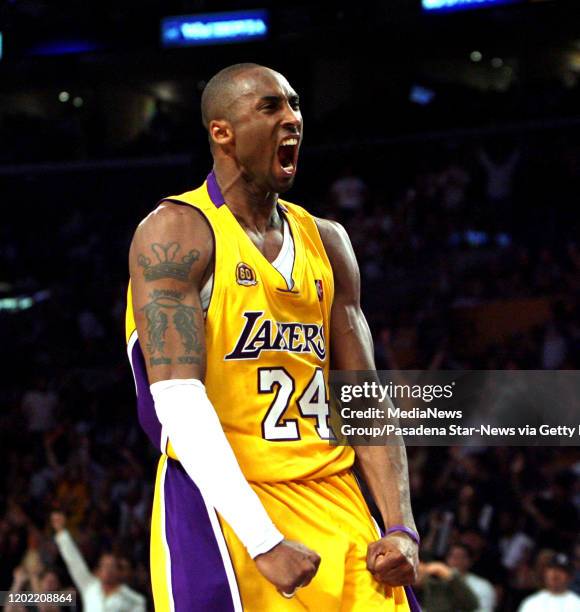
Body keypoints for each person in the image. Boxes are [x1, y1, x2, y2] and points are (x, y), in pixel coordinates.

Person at [126, 62, 419, 611]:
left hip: (337, 504)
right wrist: (263, 540)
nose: (293, 119)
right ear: (222, 132)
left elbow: (364, 398)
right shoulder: (177, 231)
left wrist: (401, 525)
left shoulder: (327, 241)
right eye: (270, 107)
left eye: (296, 105)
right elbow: (178, 399)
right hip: (226, 508)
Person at [50, 512, 146, 612]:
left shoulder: (134, 601)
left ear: (119, 572)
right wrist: (61, 531)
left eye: (111, 566)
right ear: (99, 570)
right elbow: (74, 561)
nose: (107, 570)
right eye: (104, 566)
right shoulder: (89, 587)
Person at [446, 543, 496, 611]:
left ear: (470, 561)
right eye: (453, 556)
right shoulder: (436, 582)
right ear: (447, 559)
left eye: (462, 557)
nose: (457, 560)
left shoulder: (483, 586)